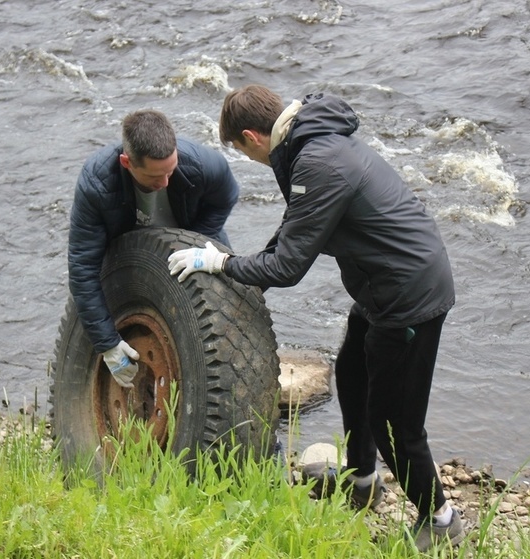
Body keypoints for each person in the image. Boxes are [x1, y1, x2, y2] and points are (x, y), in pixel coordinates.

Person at [167, 85, 464, 551]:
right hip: (383, 285)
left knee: (395, 423)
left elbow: (288, 266)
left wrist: (222, 265)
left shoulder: (316, 162)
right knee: (351, 371)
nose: (251, 160)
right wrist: (238, 275)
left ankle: (441, 519)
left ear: (253, 136)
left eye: (244, 152)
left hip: (408, 297)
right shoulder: (311, 141)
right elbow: (296, 228)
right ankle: (364, 481)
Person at [69, 109, 239, 388]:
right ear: (127, 162)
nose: (164, 183)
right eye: (154, 177)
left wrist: (197, 240)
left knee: (223, 321)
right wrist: (107, 343)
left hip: (191, 240)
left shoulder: (203, 164)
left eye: (171, 172)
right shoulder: (96, 184)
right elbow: (82, 267)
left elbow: (226, 196)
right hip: (129, 252)